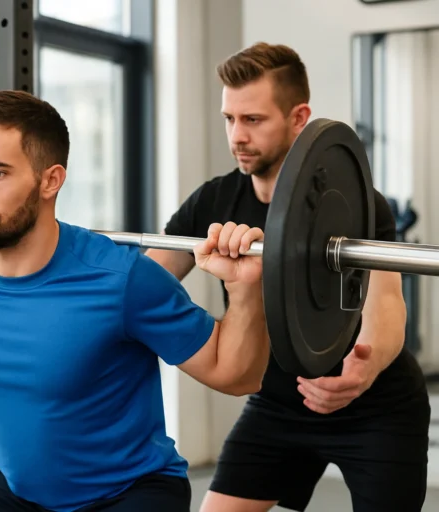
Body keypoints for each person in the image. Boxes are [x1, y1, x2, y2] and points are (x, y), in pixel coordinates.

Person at [0, 89, 270, 512]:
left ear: (50, 180)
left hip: (127, 494)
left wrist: (245, 288)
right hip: (19, 493)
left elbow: (235, 374)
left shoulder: (121, 278)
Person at [145, 42, 431, 512]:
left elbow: (386, 303)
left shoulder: (358, 201)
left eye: (253, 120)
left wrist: (366, 367)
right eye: (229, 119)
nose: (236, 135)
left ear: (299, 118)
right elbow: (146, 283)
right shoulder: (214, 201)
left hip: (376, 406)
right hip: (277, 403)